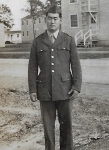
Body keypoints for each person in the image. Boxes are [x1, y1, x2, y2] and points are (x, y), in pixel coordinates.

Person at [28, 4, 82, 150]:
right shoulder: (38, 41)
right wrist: (33, 89)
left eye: (55, 19)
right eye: (50, 18)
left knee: (66, 128)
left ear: (60, 21)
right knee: (48, 129)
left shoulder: (68, 40)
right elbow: (32, 67)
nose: (52, 21)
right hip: (44, 91)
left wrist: (76, 87)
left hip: (65, 90)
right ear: (45, 20)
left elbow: (76, 65)